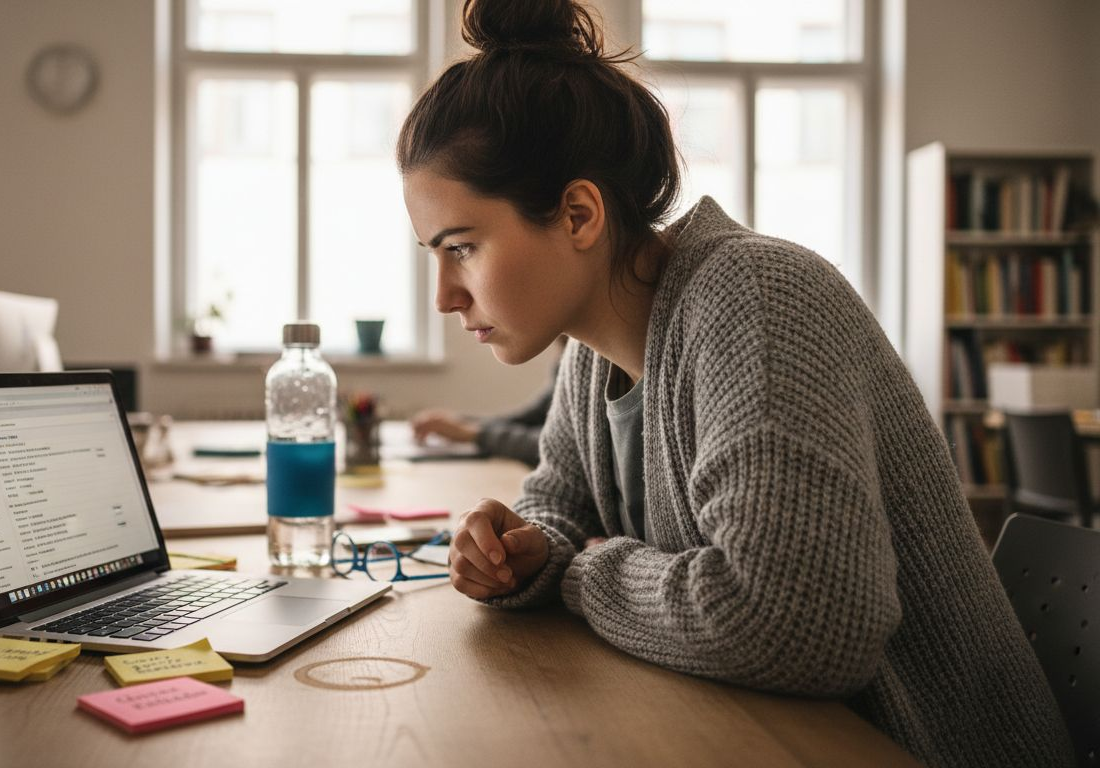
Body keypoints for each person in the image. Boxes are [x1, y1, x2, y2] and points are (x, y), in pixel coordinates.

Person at [395, 2, 1071, 766]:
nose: (444, 296)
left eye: (463, 248)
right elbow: (558, 501)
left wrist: (585, 569)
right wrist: (525, 550)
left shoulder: (756, 298)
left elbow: (799, 627)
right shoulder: (590, 352)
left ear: (579, 214)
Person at [410, 337, 564, 467]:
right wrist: (462, 421)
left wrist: (475, 434)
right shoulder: (565, 359)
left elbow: (561, 447)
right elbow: (529, 418)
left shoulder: (582, 357)